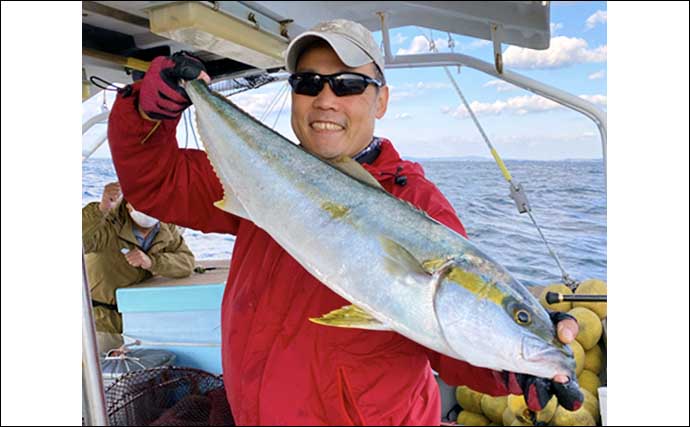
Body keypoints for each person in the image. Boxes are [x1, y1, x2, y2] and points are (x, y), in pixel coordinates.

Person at [107, 19, 581, 425]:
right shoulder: (261, 175)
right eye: (308, 83)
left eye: (349, 85)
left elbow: (444, 330)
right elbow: (157, 182)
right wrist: (146, 112)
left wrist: (512, 363)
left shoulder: (417, 205)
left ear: (381, 100)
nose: (326, 99)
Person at [82, 182, 195, 352]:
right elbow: (83, 241)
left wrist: (152, 262)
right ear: (127, 205)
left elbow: (186, 262)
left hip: (141, 323)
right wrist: (101, 210)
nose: (148, 208)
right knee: (100, 374)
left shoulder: (166, 227)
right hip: (101, 323)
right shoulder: (108, 224)